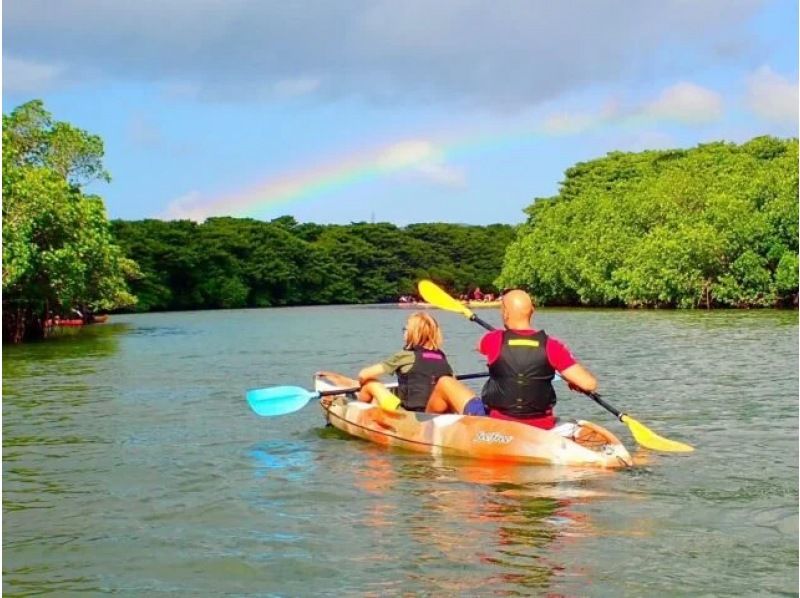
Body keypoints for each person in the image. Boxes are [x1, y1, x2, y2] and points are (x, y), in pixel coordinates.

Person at [318, 312, 485, 415]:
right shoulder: (442, 357)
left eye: (405, 329)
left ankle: (355, 410)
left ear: (413, 333)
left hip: (411, 415)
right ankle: (351, 388)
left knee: (371, 384)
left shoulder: (405, 356)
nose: (403, 332)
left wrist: (361, 384)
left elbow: (364, 374)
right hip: (435, 412)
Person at [478, 289, 597, 430]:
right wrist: (573, 381)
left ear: (505, 313)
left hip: (501, 422)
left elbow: (480, 347)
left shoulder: (492, 339)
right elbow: (589, 384)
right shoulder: (553, 346)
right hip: (542, 426)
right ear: (532, 311)